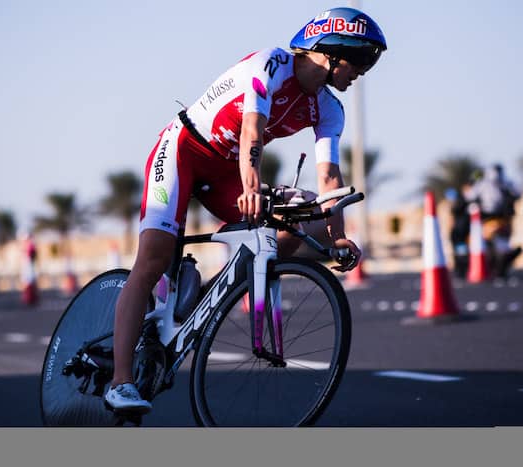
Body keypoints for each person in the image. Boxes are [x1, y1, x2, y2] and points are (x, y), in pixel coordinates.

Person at [104, 7, 388, 413]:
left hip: (226, 171)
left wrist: (336, 234)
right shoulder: (271, 63)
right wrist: (253, 188)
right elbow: (251, 131)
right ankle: (120, 382)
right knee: (152, 258)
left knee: (296, 218)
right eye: (361, 60)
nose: (363, 71)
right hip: (185, 151)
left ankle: (206, 298)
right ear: (331, 52)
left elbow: (329, 177)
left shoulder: (330, 109)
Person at [465, 163, 522, 277]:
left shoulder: (505, 183)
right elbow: (469, 196)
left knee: (505, 243)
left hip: (503, 218)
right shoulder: (484, 184)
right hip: (487, 218)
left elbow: (518, 193)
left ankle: (503, 263)